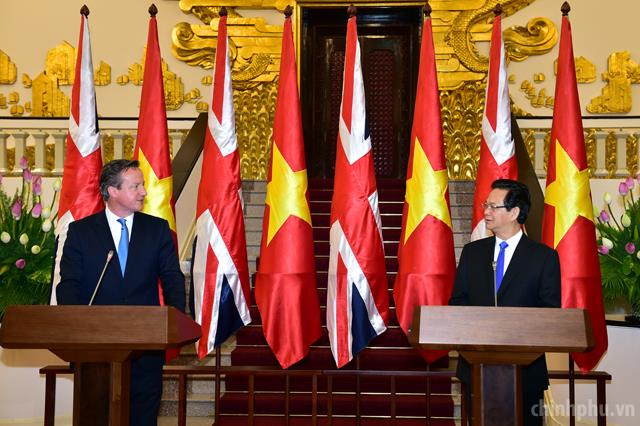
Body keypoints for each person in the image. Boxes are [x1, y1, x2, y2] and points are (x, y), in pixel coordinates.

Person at [57, 159, 185, 426]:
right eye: (135, 186)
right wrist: (76, 329)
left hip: (146, 347)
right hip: (95, 349)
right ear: (112, 191)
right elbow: (69, 285)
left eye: (142, 185)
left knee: (143, 417)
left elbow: (172, 278)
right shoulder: (81, 232)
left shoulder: (157, 229)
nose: (143, 192)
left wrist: (175, 322)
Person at [449, 179, 561, 426]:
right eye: (485, 205)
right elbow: (458, 303)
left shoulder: (544, 258)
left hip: (526, 372)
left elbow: (550, 312)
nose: (486, 212)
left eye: (493, 206)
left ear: (514, 212)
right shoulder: (472, 253)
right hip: (476, 369)